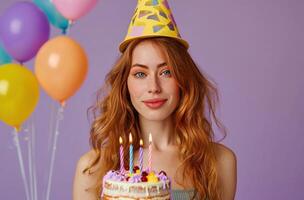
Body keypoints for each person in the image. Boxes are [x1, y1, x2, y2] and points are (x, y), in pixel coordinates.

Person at [73, 1, 237, 200]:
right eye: (140, 74)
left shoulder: (219, 162)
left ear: (183, 79)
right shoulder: (92, 169)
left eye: (166, 72)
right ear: (125, 84)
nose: (154, 87)